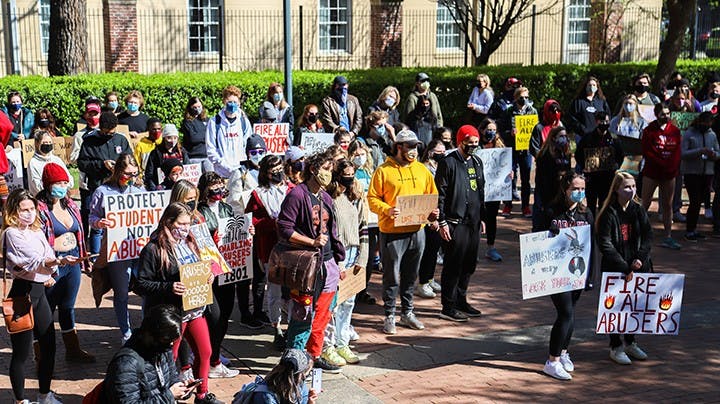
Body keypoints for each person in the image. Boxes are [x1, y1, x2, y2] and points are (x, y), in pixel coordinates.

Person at [135, 203, 223, 404]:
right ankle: (164, 396)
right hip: (172, 313)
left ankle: (202, 394)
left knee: (205, 352)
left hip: (194, 309)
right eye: (181, 223)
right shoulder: (154, 248)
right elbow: (140, 283)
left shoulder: (190, 242)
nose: (185, 227)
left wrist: (208, 276)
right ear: (168, 221)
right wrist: (168, 287)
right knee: (169, 357)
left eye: (188, 223)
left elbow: (207, 265)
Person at [3, 189, 77, 404]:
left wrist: (52, 268)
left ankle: (44, 394)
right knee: (21, 352)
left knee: (48, 346)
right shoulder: (12, 233)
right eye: (24, 209)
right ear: (14, 211)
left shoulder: (37, 231)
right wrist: (57, 264)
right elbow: (33, 261)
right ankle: (20, 400)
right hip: (22, 295)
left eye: (32, 209)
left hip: (39, 293)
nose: (29, 213)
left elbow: (47, 255)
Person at [276, 150, 346, 373]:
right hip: (307, 268)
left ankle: (313, 357)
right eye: (326, 169)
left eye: (331, 169)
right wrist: (311, 241)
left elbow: (332, 231)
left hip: (328, 266)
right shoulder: (297, 194)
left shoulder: (325, 197)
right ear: (314, 170)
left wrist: (339, 259)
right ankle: (293, 363)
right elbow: (284, 228)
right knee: (302, 316)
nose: (329, 173)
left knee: (323, 316)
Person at [367, 129, 438, 334]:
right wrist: (387, 210)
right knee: (391, 276)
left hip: (417, 230)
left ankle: (407, 313)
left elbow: (431, 195)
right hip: (392, 231)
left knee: (410, 275)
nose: (414, 151)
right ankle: (389, 314)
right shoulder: (383, 171)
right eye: (409, 146)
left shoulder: (422, 170)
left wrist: (433, 212)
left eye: (416, 146)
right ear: (399, 147)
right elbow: (372, 199)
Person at [536, 173, 595, 380]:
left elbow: (590, 246)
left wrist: (589, 275)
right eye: (575, 189)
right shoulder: (552, 211)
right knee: (565, 313)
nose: (579, 193)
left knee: (571, 313)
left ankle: (563, 352)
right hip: (555, 273)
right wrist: (548, 233)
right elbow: (536, 239)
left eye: (582, 189)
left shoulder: (586, 214)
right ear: (565, 190)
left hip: (576, 272)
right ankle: (552, 361)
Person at [36, 163, 94, 363]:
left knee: (68, 307)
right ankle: (42, 354)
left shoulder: (71, 205)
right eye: (57, 183)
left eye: (64, 182)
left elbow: (80, 232)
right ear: (48, 184)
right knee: (47, 310)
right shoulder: (39, 209)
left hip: (73, 261)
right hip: (53, 264)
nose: (62, 186)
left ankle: (73, 350)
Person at [596, 172, 653, 365]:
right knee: (615, 307)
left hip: (637, 265)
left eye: (634, 186)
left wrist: (640, 259)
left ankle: (630, 341)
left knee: (634, 305)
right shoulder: (608, 212)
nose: (631, 190)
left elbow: (647, 237)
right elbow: (605, 243)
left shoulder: (638, 209)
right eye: (627, 187)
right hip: (616, 266)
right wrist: (624, 266)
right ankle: (615, 345)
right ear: (617, 190)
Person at [88, 154, 143, 343]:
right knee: (121, 292)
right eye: (128, 174)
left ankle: (144, 328)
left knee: (144, 289)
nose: (131, 178)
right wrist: (99, 223)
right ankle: (126, 332)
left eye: (134, 174)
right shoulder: (102, 192)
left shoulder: (138, 191)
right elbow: (92, 218)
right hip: (117, 250)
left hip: (139, 247)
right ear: (118, 170)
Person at [435, 125, 484, 322]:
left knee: (469, 264)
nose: (472, 146)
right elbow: (440, 194)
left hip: (473, 222)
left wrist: (483, 219)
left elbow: (481, 192)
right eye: (469, 143)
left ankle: (461, 299)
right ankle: (448, 305)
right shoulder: (449, 163)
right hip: (455, 222)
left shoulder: (477, 162)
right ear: (460, 142)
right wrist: (442, 222)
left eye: (475, 143)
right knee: (453, 265)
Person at [321, 159, 368, 366]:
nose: (349, 179)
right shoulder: (329, 199)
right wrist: (336, 260)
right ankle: (328, 345)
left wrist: (363, 256)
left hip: (354, 251)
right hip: (336, 255)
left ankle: (342, 342)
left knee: (348, 302)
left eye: (352, 175)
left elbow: (363, 226)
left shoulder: (356, 197)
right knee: (332, 302)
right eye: (345, 175)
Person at [245, 155, 295, 349]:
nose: (278, 173)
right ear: (266, 173)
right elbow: (252, 222)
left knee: (292, 290)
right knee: (273, 292)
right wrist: (273, 223)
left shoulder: (292, 190)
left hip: (292, 249)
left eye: (280, 168)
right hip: (270, 249)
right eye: (273, 170)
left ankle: (292, 326)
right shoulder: (258, 194)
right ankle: (277, 329)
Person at [103, 305, 196, 404]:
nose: (171, 344)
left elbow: (172, 380)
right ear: (150, 334)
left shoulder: (162, 350)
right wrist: (169, 396)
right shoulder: (126, 364)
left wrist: (181, 389)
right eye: (167, 340)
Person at [77, 112, 132, 256]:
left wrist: (121, 167)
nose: (109, 135)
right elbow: (82, 164)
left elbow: (130, 159)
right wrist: (102, 165)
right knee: (98, 225)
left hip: (119, 188)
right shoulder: (89, 141)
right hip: (98, 187)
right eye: (106, 132)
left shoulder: (121, 140)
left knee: (118, 223)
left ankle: (117, 254)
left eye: (112, 132)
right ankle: (96, 256)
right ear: (100, 127)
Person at [640, 103, 682, 250]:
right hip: (651, 172)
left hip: (669, 174)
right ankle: (638, 234)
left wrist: (670, 167)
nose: (666, 116)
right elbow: (647, 152)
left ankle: (668, 236)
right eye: (663, 114)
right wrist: (661, 163)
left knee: (668, 205)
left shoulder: (675, 131)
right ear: (657, 114)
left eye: (668, 113)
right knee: (645, 203)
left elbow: (677, 153)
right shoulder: (648, 131)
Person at [575, 111, 624, 215]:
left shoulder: (614, 139)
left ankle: (602, 226)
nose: (604, 123)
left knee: (605, 204)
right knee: (591, 204)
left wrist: (616, 166)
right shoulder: (587, 138)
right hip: (592, 177)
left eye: (607, 121)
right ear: (597, 122)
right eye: (602, 121)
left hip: (608, 177)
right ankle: (592, 227)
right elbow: (578, 154)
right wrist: (584, 166)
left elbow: (620, 155)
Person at [498, 86, 537, 218]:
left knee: (526, 178)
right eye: (522, 97)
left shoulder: (532, 111)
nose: (524, 100)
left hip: (526, 150)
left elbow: (536, 130)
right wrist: (510, 133)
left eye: (526, 97)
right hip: (512, 148)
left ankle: (525, 206)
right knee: (510, 176)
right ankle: (508, 204)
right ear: (516, 98)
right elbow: (501, 129)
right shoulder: (509, 111)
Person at [681, 112, 719, 241]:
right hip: (692, 172)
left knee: (700, 202)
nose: (707, 125)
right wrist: (699, 151)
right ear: (699, 121)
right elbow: (683, 153)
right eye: (705, 123)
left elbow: (718, 152)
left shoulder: (712, 134)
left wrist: (714, 154)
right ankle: (689, 230)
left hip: (707, 172)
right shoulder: (689, 133)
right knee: (695, 201)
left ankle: (694, 229)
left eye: (709, 123)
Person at [477, 119, 511, 262]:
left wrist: (509, 173)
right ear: (482, 130)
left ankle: (491, 248)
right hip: (478, 189)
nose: (491, 132)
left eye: (493, 130)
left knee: (491, 219)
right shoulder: (476, 146)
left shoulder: (500, 146)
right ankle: (474, 250)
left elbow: (506, 165)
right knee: (477, 218)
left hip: (494, 191)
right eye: (488, 129)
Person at [415, 139, 445, 298]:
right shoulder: (424, 168)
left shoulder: (442, 166)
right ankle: (422, 283)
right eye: (438, 152)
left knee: (434, 248)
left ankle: (430, 277)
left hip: (439, 210)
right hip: (428, 213)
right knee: (428, 249)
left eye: (444, 152)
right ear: (431, 151)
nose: (442, 155)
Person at [233, 349, 318, 404]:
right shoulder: (265, 395)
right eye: (307, 373)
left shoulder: (300, 386)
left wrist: (310, 401)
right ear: (300, 375)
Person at [206, 85, 253, 178]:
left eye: (235, 102)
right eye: (229, 101)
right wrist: (223, 164)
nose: (232, 104)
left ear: (239, 103)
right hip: (222, 173)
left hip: (241, 172)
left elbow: (249, 145)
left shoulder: (243, 121)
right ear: (224, 101)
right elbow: (211, 149)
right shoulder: (214, 122)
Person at [532, 127, 573, 231]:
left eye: (565, 136)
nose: (565, 139)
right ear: (554, 138)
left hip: (562, 191)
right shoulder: (545, 155)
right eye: (561, 136)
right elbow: (542, 178)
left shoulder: (566, 154)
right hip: (548, 191)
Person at [144, 124, 190, 191]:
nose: (172, 141)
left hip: (180, 187)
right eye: (169, 138)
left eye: (175, 138)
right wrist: (154, 190)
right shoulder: (156, 152)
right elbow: (149, 174)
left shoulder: (182, 151)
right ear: (164, 138)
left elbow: (187, 167)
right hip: (161, 188)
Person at [28, 130, 74, 197]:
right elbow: (36, 187)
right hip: (43, 199)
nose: (48, 144)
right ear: (37, 144)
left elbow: (69, 180)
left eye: (49, 142)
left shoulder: (57, 160)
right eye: (45, 142)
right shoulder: (33, 163)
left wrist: (61, 187)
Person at [567, 76, 611, 143]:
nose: (591, 87)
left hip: (599, 136)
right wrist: (582, 129)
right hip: (582, 136)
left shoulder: (602, 101)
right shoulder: (578, 102)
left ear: (597, 87)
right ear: (585, 86)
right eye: (589, 85)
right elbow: (572, 118)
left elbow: (608, 116)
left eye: (594, 85)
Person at [609, 94, 647, 161]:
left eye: (630, 103)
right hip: (619, 155)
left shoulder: (641, 122)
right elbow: (611, 137)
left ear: (635, 105)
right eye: (626, 103)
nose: (628, 106)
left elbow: (644, 141)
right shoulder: (615, 121)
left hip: (635, 156)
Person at [181, 96, 210, 171]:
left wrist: (199, 134)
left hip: (207, 157)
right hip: (194, 157)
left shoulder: (207, 120)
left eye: (199, 106)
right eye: (195, 107)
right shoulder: (187, 122)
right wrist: (206, 135)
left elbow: (212, 135)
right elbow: (193, 139)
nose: (197, 109)